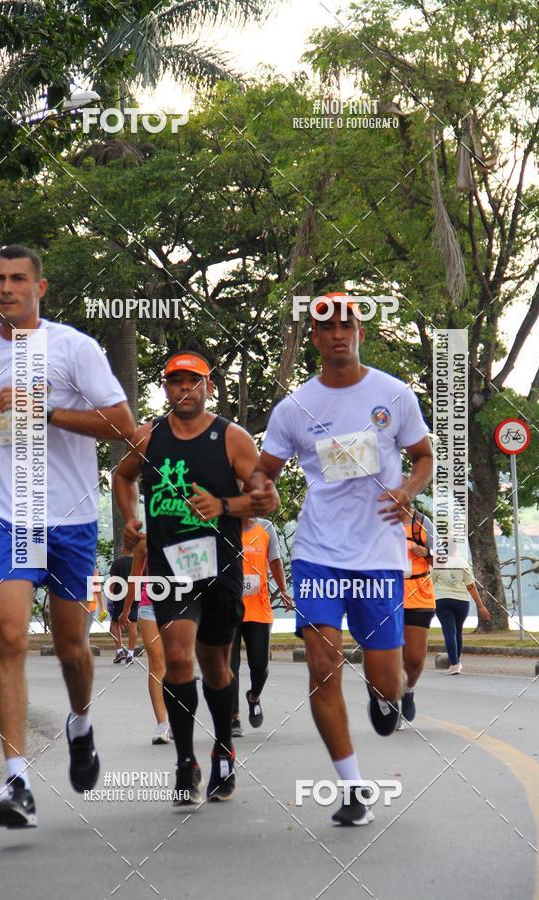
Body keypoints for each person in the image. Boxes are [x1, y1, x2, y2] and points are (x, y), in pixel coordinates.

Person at [0, 245, 135, 829]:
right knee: (9, 635)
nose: (5, 289)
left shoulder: (75, 348)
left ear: (40, 287)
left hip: (72, 517)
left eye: (17, 280)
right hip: (7, 513)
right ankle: (17, 782)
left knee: (71, 647)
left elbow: (123, 425)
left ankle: (80, 724)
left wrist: (45, 410)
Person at [249, 294, 433, 826]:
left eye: (346, 325)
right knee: (323, 664)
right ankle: (353, 789)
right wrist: (261, 490)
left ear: (360, 333)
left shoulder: (393, 395)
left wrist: (409, 490)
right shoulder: (294, 408)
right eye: (326, 326)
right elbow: (265, 470)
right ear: (314, 337)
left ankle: (387, 699)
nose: (337, 334)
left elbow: (423, 457)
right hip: (318, 553)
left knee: (384, 678)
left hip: (378, 555)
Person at [113, 350, 277, 804]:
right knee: (179, 659)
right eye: (174, 382)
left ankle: (224, 748)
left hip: (221, 570)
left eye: (193, 381)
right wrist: (131, 519)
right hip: (170, 569)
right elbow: (121, 478)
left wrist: (225, 506)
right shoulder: (149, 438)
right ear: (165, 388)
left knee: (216, 667)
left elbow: (269, 500)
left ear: (208, 386)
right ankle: (186, 761)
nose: (183, 389)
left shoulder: (233, 439)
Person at [231, 516, 292, 737]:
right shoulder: (225, 524)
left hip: (259, 608)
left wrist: (283, 590)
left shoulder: (265, 527)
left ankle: (254, 696)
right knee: (230, 667)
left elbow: (275, 561)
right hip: (229, 608)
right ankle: (234, 717)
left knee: (260, 666)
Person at [120, 532, 171, 744]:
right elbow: (134, 579)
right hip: (149, 607)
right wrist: (125, 611)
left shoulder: (188, 532)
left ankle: (177, 719)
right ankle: (162, 724)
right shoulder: (144, 542)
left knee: (177, 663)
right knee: (157, 662)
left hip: (179, 607)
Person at [397, 505, 436, 728]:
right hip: (388, 594)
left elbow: (443, 556)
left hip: (419, 593)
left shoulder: (422, 523)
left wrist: (427, 552)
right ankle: (392, 699)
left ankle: (408, 690)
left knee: (414, 657)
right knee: (392, 655)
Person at [432, 562, 490, 673]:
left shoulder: (437, 561)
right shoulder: (463, 562)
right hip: (462, 601)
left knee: (449, 631)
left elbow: (429, 583)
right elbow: (471, 586)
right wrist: (481, 606)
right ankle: (456, 662)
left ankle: (454, 664)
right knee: (458, 631)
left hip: (443, 599)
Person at [108, 546, 138, 665]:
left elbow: (113, 582)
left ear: (122, 549)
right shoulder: (138, 563)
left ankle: (120, 651)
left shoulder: (117, 563)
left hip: (119, 597)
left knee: (115, 624)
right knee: (133, 625)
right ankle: (130, 654)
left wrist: (110, 598)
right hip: (135, 597)